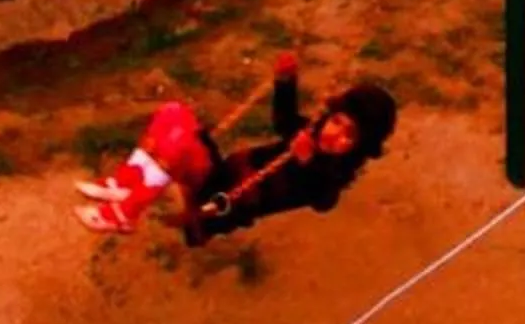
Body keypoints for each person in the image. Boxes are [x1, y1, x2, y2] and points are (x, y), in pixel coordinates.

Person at [77, 53, 397, 246]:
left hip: (220, 203)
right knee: (173, 114)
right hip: (221, 174)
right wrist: (286, 82)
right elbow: (284, 119)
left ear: (360, 146)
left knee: (177, 146)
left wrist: (306, 161)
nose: (335, 134)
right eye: (337, 122)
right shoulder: (306, 136)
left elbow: (325, 200)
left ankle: (125, 213)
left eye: (348, 135)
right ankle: (124, 184)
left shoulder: (331, 173)